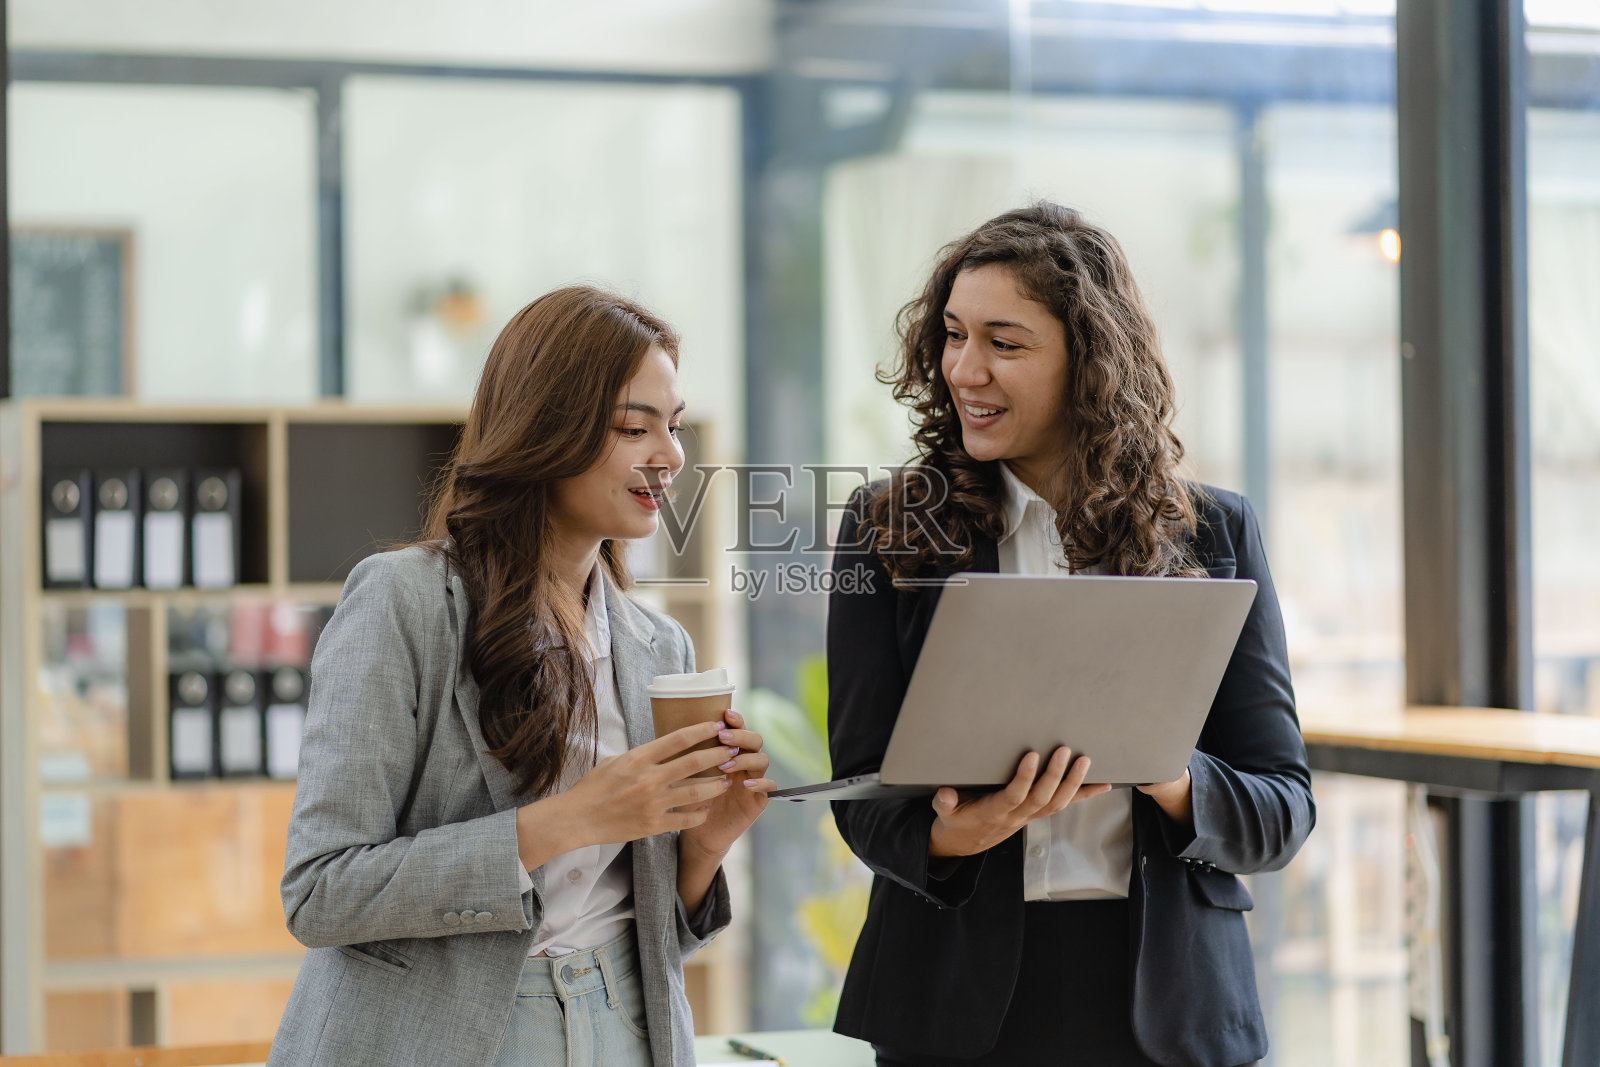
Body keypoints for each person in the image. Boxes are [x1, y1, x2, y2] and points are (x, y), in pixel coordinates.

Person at [826, 203, 1315, 1067]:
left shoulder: (1212, 533)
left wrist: (1166, 771)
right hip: (952, 1005)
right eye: (952, 335)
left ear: (1089, 364)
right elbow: (863, 794)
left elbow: (1281, 809)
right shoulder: (888, 526)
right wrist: (958, 834)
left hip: (1166, 1008)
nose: (964, 370)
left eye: (1004, 343)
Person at [268, 286, 774, 1067]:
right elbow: (322, 889)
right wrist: (574, 818)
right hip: (449, 1035)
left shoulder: (660, 647)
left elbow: (646, 928)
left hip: (625, 1023)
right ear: (546, 428)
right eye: (634, 427)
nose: (670, 454)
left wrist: (704, 848)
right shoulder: (406, 602)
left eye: (671, 427)